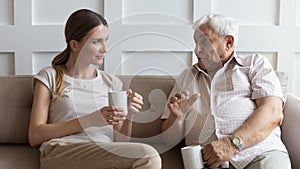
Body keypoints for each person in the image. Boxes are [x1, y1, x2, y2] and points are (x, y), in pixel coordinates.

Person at [28, 9, 161, 169]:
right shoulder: (50, 76)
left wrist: (129, 114)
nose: (105, 49)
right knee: (148, 156)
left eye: (106, 40)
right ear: (75, 45)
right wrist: (91, 120)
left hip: (105, 153)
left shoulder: (111, 82)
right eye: (97, 41)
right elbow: (35, 135)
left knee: (143, 156)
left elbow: (121, 142)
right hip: (62, 151)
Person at [161, 13, 291, 169]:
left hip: (258, 156)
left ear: (228, 42)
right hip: (206, 163)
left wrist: (232, 144)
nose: (196, 50)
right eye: (196, 43)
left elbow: (273, 112)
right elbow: (169, 140)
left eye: (204, 42)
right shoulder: (186, 77)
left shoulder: (254, 64)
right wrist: (177, 118)